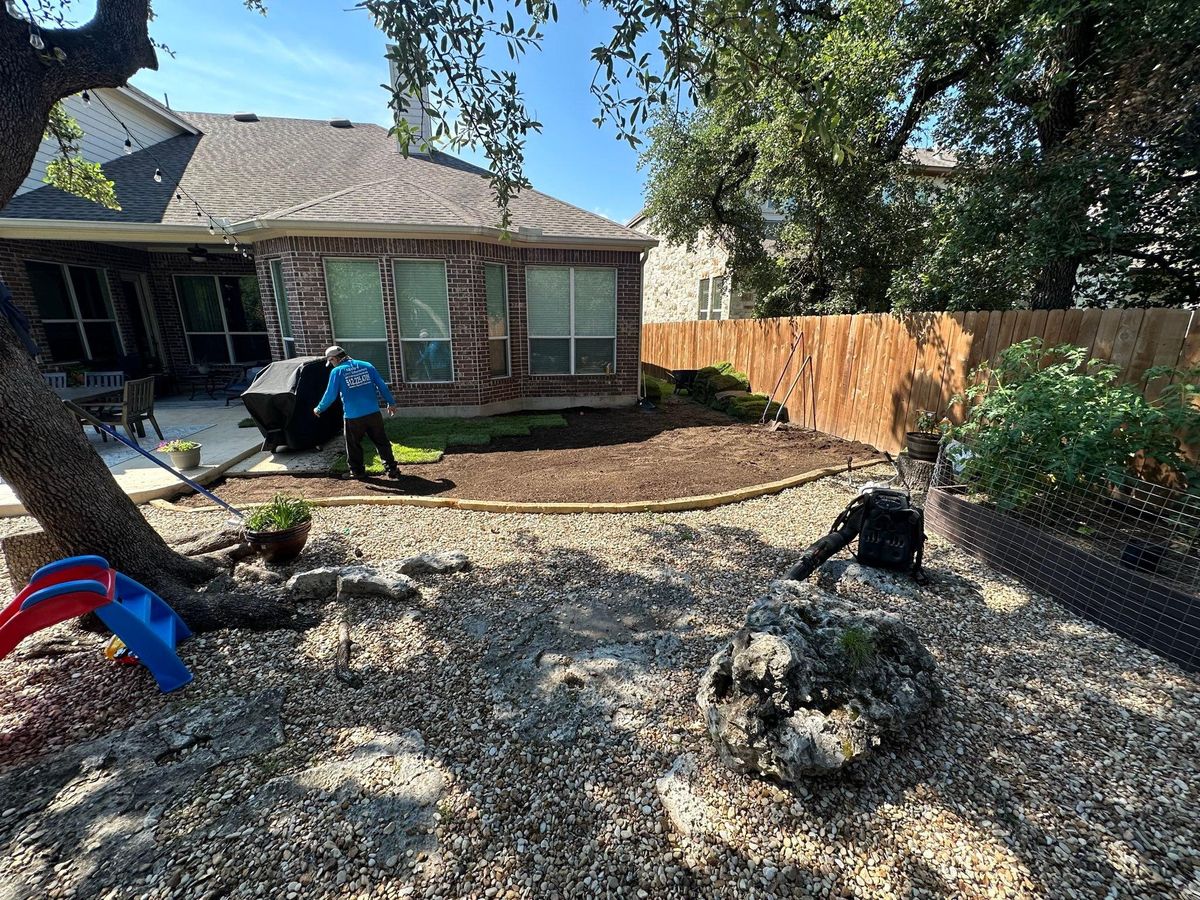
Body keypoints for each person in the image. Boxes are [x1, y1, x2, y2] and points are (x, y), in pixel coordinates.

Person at [313, 345, 401, 481]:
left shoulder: (337, 372)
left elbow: (330, 395)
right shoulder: (366, 365)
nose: (331, 364)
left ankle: (357, 471)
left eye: (330, 361)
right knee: (381, 441)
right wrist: (391, 403)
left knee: (353, 445)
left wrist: (319, 408)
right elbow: (381, 384)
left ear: (334, 359)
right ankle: (392, 469)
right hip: (373, 413)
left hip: (353, 417)